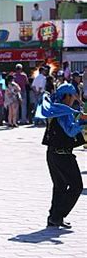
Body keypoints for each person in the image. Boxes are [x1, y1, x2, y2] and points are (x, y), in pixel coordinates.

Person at [39, 83, 86, 228]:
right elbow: (70, 132)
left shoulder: (54, 108)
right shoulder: (63, 111)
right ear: (67, 96)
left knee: (60, 186)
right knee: (76, 186)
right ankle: (57, 216)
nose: (74, 98)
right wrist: (83, 122)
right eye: (73, 95)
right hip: (63, 155)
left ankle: (53, 218)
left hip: (52, 154)